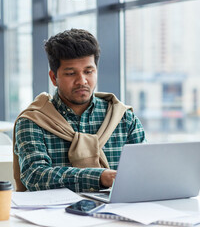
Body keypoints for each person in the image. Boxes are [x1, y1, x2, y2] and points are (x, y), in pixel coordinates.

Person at [13, 29, 146, 192]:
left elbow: (144, 172)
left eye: (88, 72)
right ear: (54, 78)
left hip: (117, 213)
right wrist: (100, 177)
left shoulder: (124, 118)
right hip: (53, 215)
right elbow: (35, 176)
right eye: (70, 73)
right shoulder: (33, 121)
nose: (81, 81)